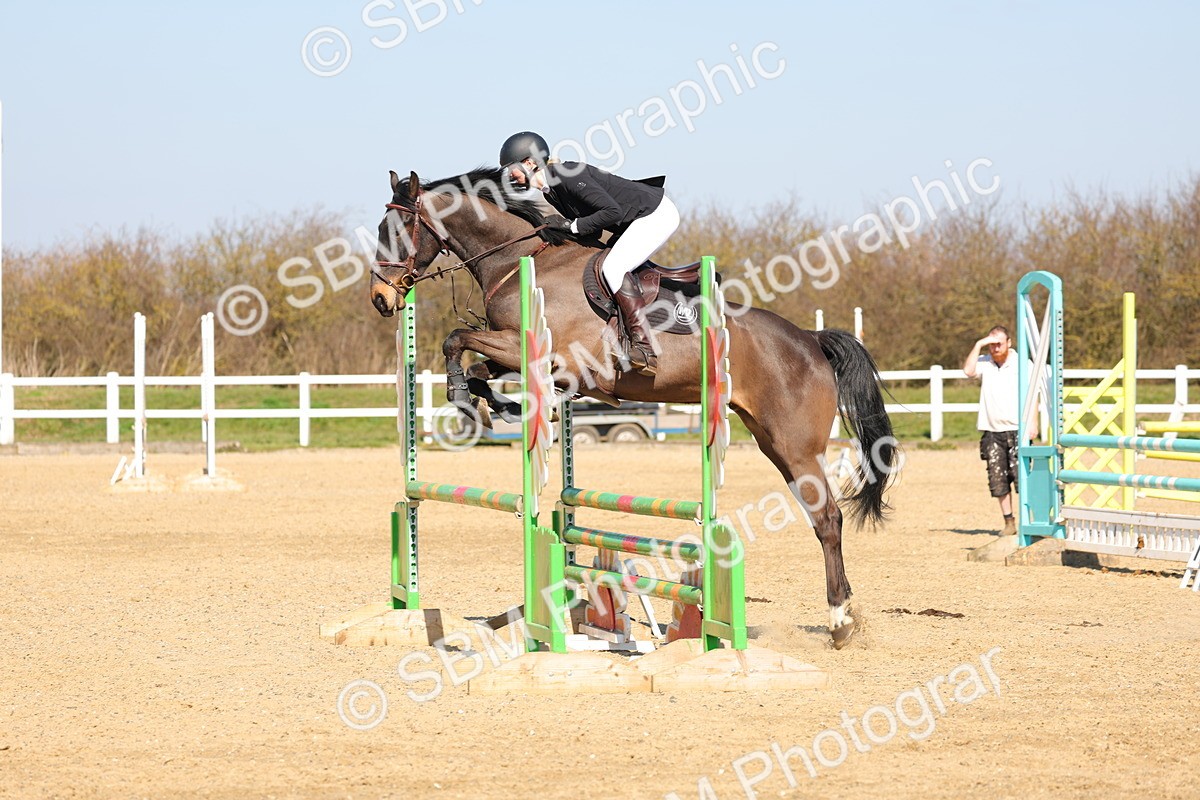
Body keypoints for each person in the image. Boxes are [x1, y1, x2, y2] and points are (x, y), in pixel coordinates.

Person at [499, 131, 679, 376]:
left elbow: (611, 212)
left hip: (654, 214)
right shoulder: (550, 190)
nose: (510, 175)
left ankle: (645, 348)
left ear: (530, 162)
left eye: (512, 168)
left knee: (613, 268)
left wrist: (571, 226)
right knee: (600, 263)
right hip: (633, 220)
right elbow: (590, 227)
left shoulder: (566, 176)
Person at [963, 325, 1022, 536]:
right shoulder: (984, 362)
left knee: (1023, 478)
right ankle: (1009, 522)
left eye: (999, 343)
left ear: (1009, 342)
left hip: (1017, 429)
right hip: (991, 430)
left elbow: (1036, 392)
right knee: (997, 479)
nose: (995, 348)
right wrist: (979, 344)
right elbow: (968, 371)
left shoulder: (1021, 363)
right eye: (992, 344)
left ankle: (1028, 521)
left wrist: (1032, 423)